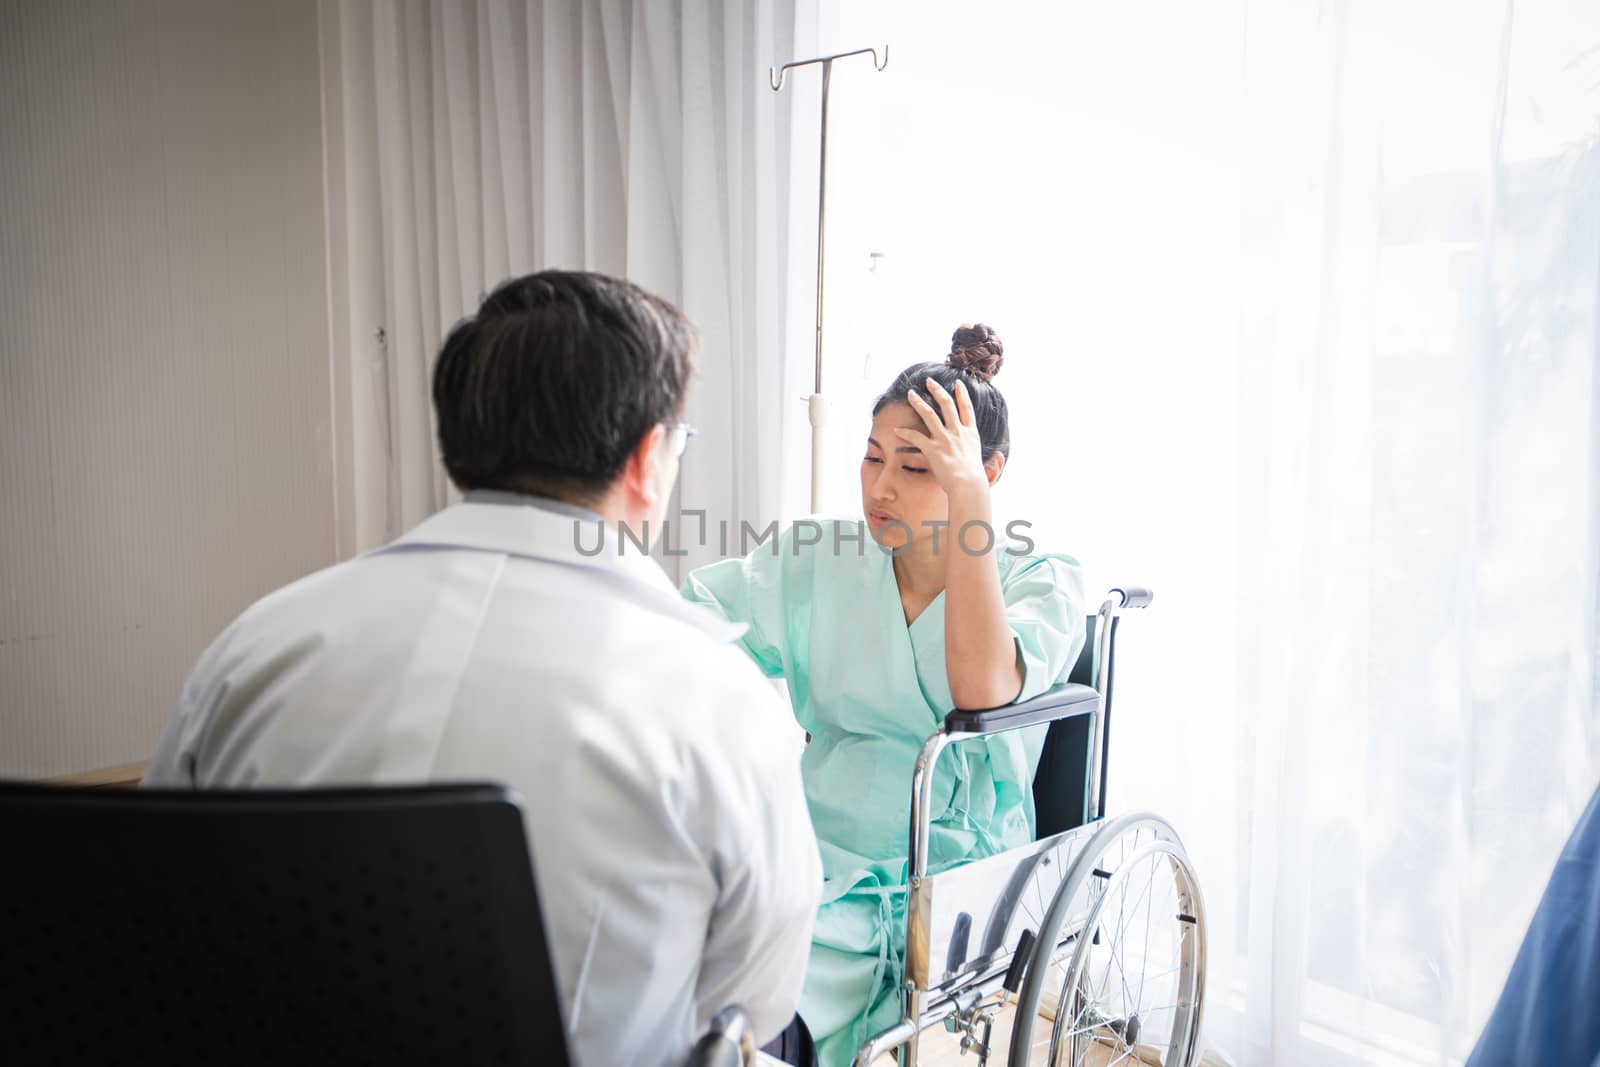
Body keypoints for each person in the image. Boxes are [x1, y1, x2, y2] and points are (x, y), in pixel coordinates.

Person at [144, 270, 823, 1066]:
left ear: (460, 437)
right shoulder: (718, 697)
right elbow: (755, 995)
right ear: (647, 458)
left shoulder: (257, 646)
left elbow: (157, 905)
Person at [682, 324, 1087, 1065]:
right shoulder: (820, 555)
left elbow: (982, 691)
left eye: (917, 466)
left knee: (760, 974)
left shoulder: (1044, 578)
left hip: (944, 858)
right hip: (807, 835)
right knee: (683, 933)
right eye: (871, 458)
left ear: (988, 472)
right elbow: (693, 619)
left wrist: (969, 510)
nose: (880, 487)